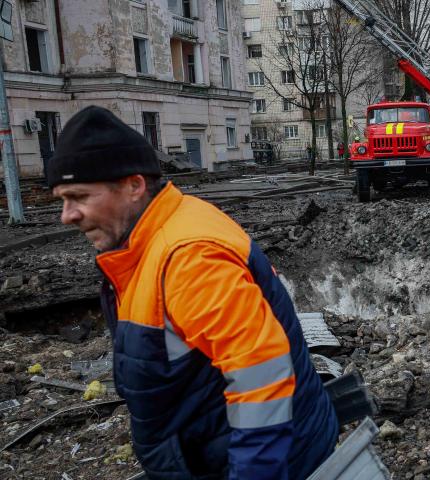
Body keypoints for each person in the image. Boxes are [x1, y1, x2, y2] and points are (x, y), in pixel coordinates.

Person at [48, 106, 338, 480]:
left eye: (79, 196)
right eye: (62, 200)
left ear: (134, 185)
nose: (66, 215)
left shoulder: (189, 258)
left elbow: (261, 374)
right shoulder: (163, 231)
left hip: (265, 463)